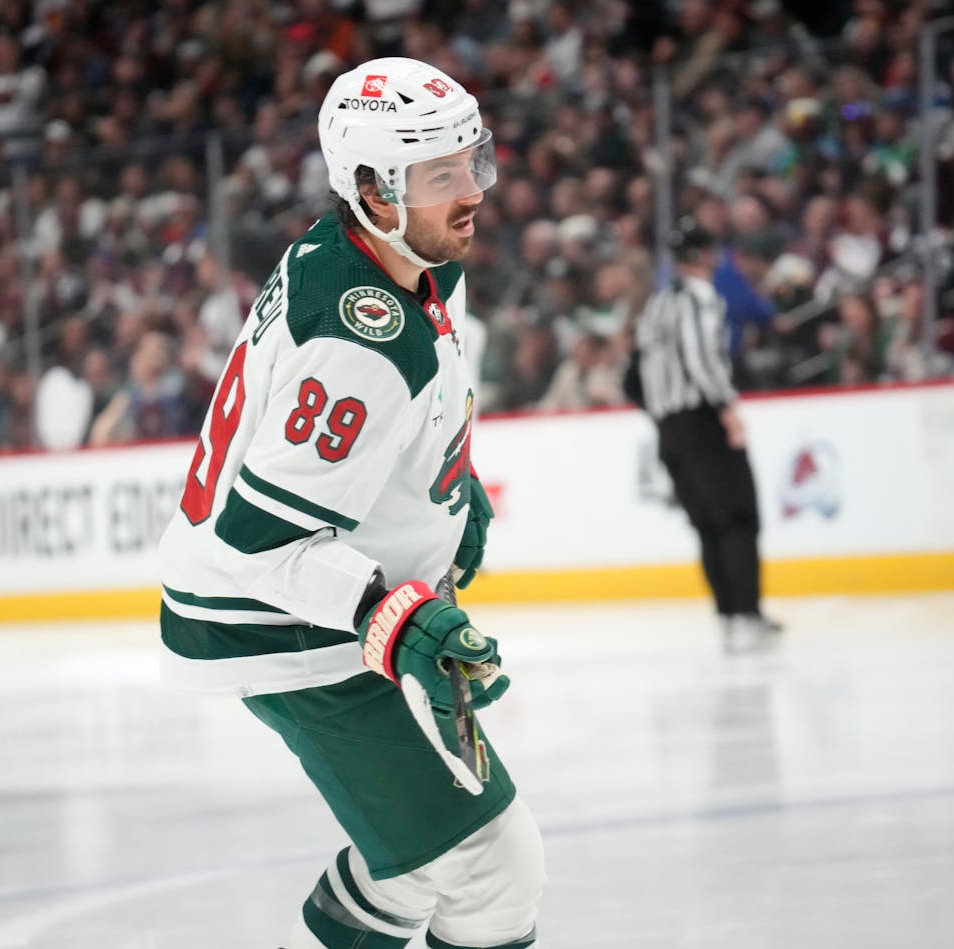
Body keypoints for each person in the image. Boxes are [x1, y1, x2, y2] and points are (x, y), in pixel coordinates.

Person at [156, 57, 544, 949]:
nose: (469, 191)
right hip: (282, 624)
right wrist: (392, 619)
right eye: (438, 175)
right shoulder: (358, 338)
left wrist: (450, 488)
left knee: (411, 867)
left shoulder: (389, 255)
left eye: (472, 163)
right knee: (491, 869)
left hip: (302, 613)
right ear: (370, 187)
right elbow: (257, 537)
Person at [633, 217, 783, 650]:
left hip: (668, 428)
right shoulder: (700, 297)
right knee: (737, 519)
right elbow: (701, 360)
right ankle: (746, 615)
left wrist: (661, 415)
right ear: (705, 255)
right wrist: (726, 406)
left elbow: (637, 370)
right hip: (702, 421)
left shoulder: (657, 304)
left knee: (707, 524)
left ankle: (726, 614)